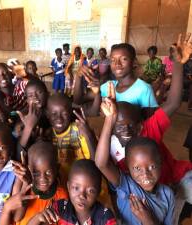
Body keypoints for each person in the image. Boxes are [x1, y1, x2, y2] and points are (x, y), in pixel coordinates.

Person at [104, 33, 192, 224]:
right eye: (117, 126)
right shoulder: (114, 147)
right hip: (156, 194)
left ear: (139, 126)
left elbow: (174, 102)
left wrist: (178, 63)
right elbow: (109, 175)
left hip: (177, 178)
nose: (124, 131)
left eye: (129, 126)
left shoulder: (148, 129)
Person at [74, 43, 158, 118]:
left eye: (124, 59)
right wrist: (78, 77)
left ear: (134, 62)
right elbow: (78, 100)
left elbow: (149, 123)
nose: (117, 64)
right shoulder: (110, 86)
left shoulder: (144, 89)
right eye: (113, 60)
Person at [27, 159, 116, 225]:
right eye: (76, 188)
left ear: (98, 192)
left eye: (90, 191)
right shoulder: (60, 208)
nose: (82, 196)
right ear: (68, 187)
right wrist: (38, 218)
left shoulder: (105, 217)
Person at [0, 141, 68, 225]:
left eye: (48, 172)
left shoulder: (61, 194)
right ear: (29, 169)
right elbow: (17, 217)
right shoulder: (25, 188)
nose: (43, 178)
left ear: (57, 168)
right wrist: (26, 184)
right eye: (36, 173)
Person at [46, 94, 97, 184]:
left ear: (70, 112)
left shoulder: (79, 130)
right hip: (60, 185)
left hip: (81, 183)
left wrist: (88, 135)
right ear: (48, 114)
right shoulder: (47, 135)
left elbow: (94, 161)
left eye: (64, 113)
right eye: (54, 114)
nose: (59, 118)